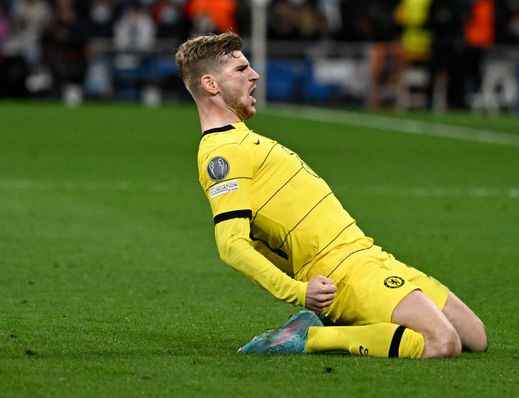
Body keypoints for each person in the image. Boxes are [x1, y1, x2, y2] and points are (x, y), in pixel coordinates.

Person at [174, 32, 487, 359]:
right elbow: (232, 245)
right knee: (442, 343)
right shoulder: (220, 155)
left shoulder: (242, 139)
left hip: (366, 253)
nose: (254, 75)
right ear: (211, 85)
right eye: (240, 70)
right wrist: (298, 292)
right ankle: (310, 338)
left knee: (473, 336)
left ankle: (326, 325)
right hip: (339, 271)